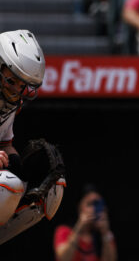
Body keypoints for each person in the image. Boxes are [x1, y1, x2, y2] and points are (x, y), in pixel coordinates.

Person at [0, 30, 66, 245]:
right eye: (13, 81)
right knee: (7, 185)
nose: (17, 90)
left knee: (51, 189)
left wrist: (21, 167)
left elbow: (5, 144)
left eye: (22, 85)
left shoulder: (6, 104)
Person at [54, 186, 117, 261]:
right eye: (90, 204)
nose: (94, 209)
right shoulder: (64, 230)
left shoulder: (105, 236)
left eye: (98, 204)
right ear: (79, 207)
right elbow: (63, 258)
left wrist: (105, 233)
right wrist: (78, 229)